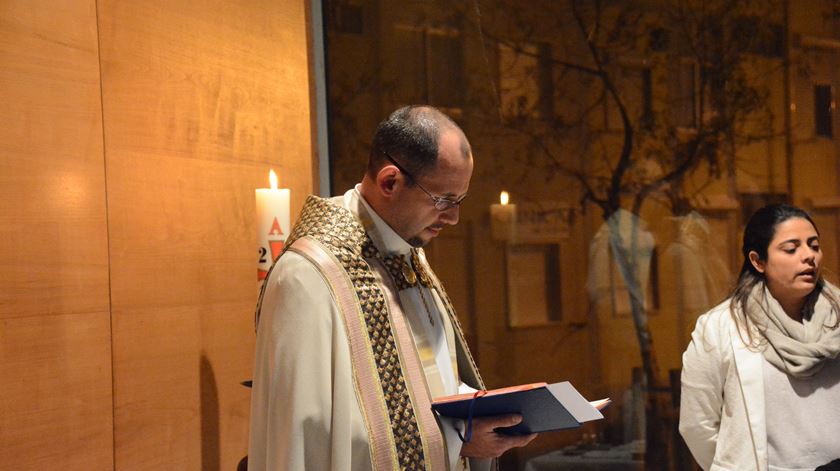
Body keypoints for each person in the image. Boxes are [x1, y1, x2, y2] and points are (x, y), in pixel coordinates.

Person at [248, 105, 536, 471]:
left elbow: (430, 380)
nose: (453, 218)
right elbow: (315, 439)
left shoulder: (407, 253)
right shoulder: (308, 277)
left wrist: (480, 412)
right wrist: (459, 437)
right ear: (390, 182)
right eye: (444, 200)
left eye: (459, 201)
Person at [680, 204, 840, 470]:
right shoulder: (721, 327)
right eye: (791, 248)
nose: (808, 256)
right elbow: (697, 425)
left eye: (814, 245)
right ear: (758, 261)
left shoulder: (837, 317)